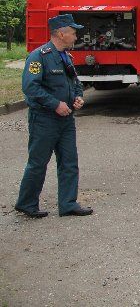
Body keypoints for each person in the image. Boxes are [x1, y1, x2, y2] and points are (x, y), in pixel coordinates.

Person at [15, 14, 93, 218]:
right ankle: (27, 203)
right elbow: (30, 87)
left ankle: (68, 204)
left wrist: (77, 97)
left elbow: (75, 83)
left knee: (69, 162)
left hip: (66, 119)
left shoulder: (66, 56)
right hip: (44, 119)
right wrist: (55, 104)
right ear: (61, 33)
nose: (76, 37)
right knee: (38, 162)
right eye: (73, 33)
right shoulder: (38, 56)